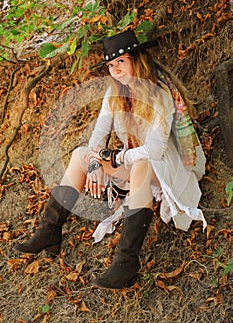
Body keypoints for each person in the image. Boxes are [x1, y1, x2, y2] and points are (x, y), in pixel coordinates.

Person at [13, 30, 207, 289]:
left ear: (137, 60)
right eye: (111, 65)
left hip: (166, 168)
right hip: (134, 163)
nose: (115, 70)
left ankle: (127, 262)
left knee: (140, 162)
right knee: (79, 154)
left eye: (121, 61)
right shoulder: (114, 93)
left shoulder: (159, 93)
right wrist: (94, 163)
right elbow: (98, 137)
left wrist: (117, 157)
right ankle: (49, 230)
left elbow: (156, 150)